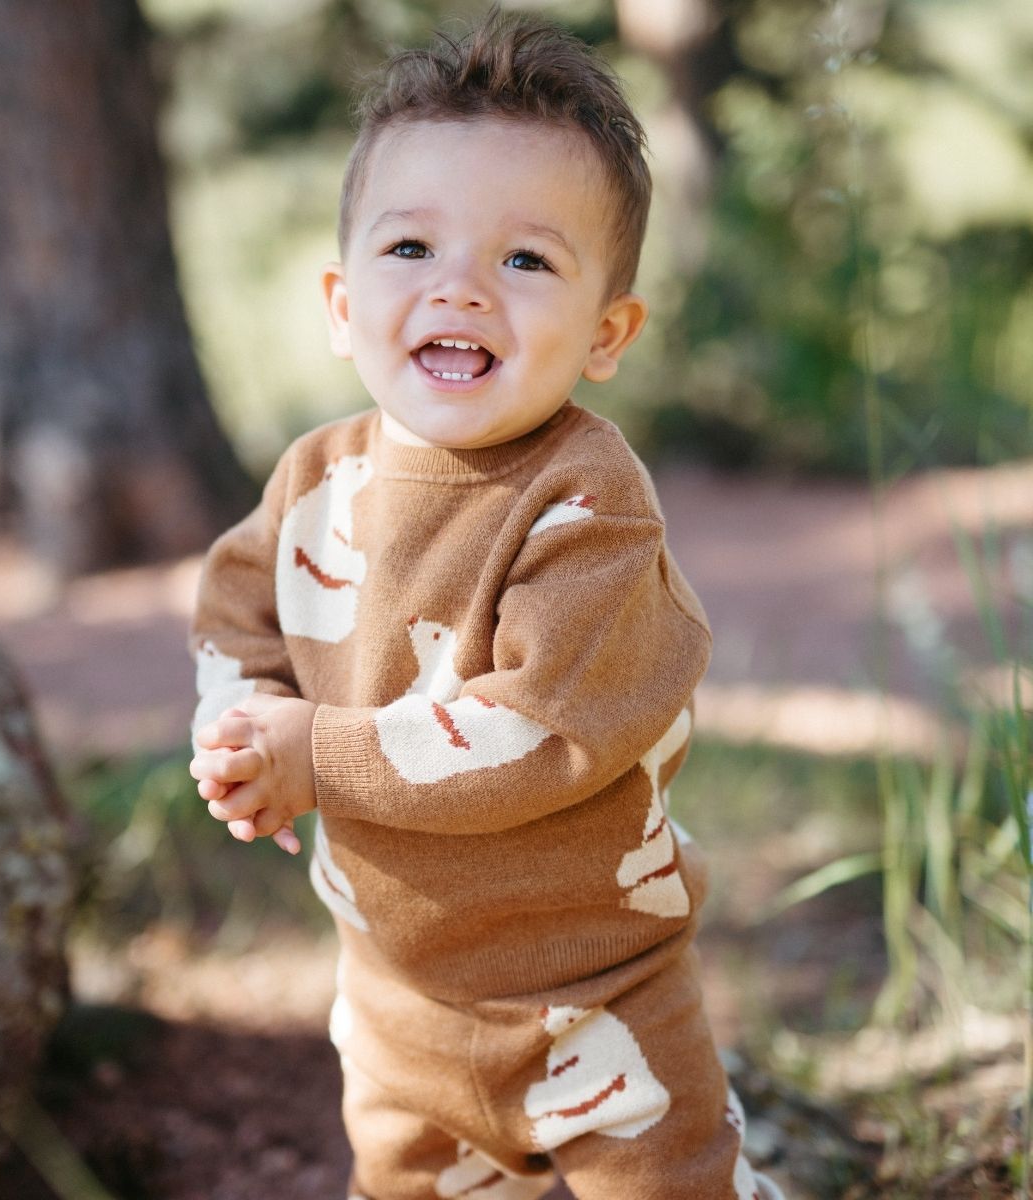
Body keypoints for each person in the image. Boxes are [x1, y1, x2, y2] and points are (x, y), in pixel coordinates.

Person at [188, 10, 784, 1199]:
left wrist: (319, 754)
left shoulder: (587, 505)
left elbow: (538, 733)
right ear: (342, 303)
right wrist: (242, 724)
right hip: (395, 1000)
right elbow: (238, 613)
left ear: (607, 332)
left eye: (525, 261)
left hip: (596, 998)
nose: (459, 289)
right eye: (411, 247)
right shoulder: (315, 480)